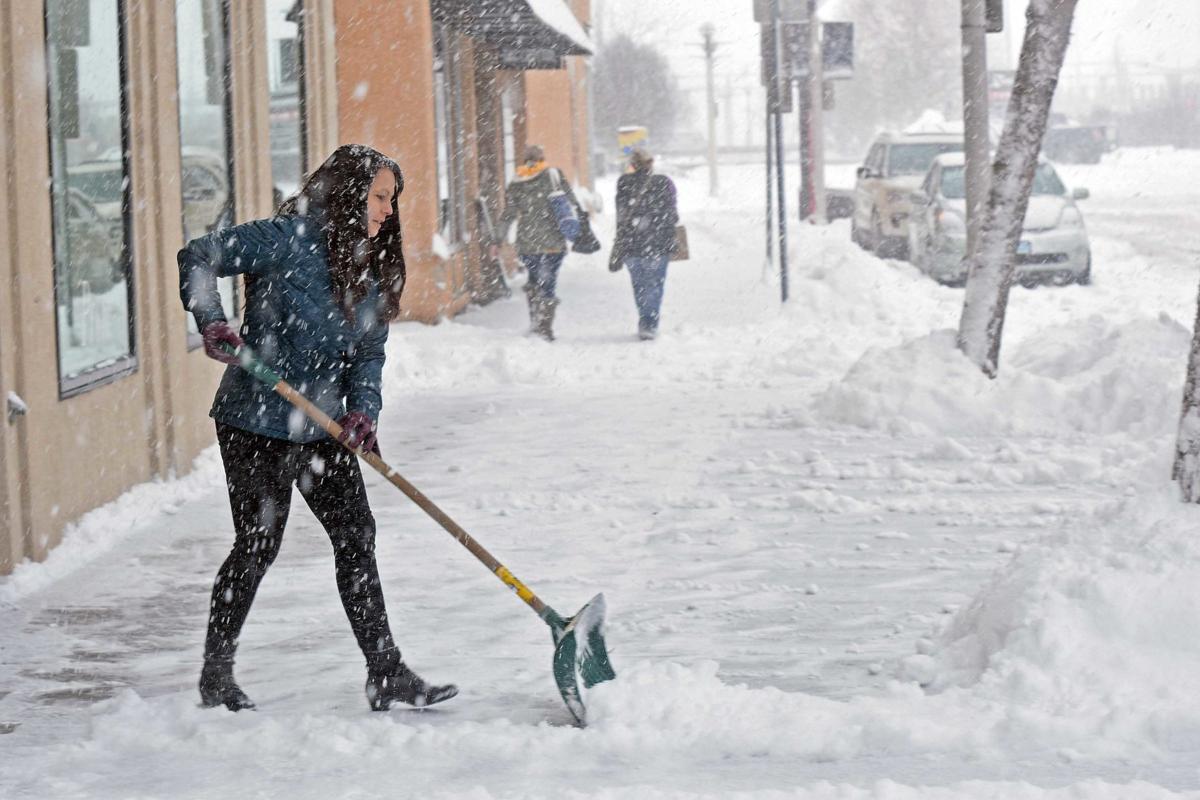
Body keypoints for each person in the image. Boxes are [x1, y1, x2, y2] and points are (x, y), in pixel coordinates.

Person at [178, 144, 457, 713]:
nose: (386, 210)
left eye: (392, 200)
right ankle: (216, 675)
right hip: (254, 421)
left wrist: (363, 411)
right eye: (380, 197)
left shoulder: (369, 264)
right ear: (352, 192)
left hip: (321, 427)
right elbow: (199, 255)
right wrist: (212, 320)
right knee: (258, 543)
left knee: (356, 536)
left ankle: (386, 672)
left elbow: (368, 354)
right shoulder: (287, 238)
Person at [498, 144, 581, 341]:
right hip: (554, 242)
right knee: (549, 282)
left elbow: (508, 214)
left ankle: (536, 321)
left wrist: (498, 238)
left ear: (524, 160)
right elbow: (571, 202)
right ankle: (545, 326)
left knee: (535, 279)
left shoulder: (517, 182)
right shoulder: (554, 176)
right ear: (542, 159)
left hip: (528, 243)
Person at [611, 148, 679, 340]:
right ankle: (650, 323)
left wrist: (624, 239)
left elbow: (621, 216)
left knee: (639, 285)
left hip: (632, 246)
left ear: (632, 164)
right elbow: (672, 215)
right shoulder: (664, 183)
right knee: (655, 285)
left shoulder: (623, 183)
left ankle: (645, 320)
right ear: (651, 163)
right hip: (658, 244)